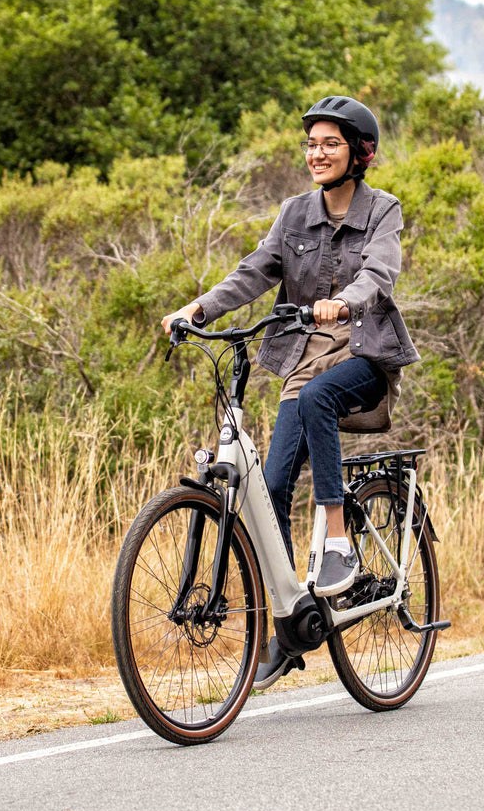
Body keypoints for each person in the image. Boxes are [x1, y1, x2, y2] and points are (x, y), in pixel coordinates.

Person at [162, 95, 420, 685]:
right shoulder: (294, 213)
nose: (317, 153)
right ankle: (289, 624)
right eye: (311, 143)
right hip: (302, 362)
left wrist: (343, 302)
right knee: (269, 487)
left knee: (317, 398)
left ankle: (338, 543)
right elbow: (254, 271)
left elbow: (378, 276)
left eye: (331, 143)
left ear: (361, 154)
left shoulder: (383, 210)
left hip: (362, 355)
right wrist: (197, 309)